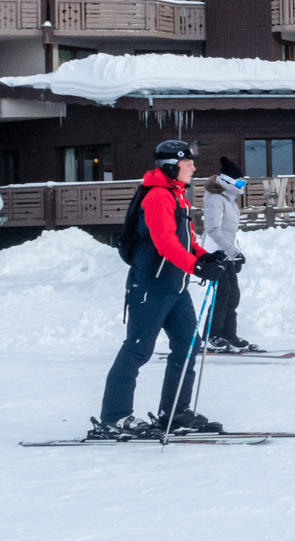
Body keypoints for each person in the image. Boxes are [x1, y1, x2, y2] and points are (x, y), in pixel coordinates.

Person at [91, 140, 232, 440]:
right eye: (188, 162)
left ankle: (175, 413)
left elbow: (185, 240)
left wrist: (205, 257)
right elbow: (165, 243)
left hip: (175, 287)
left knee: (188, 346)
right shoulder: (157, 197)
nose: (194, 167)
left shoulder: (178, 196)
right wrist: (195, 267)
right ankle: (113, 418)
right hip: (151, 286)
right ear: (171, 166)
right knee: (138, 350)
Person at [203, 156, 259, 354]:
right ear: (228, 181)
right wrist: (231, 252)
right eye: (240, 182)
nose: (242, 186)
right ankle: (211, 336)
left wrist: (237, 253)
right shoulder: (216, 199)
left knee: (233, 294)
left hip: (226, 252)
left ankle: (228, 335)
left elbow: (230, 233)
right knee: (222, 293)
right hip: (214, 253)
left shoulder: (230, 201)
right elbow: (213, 230)